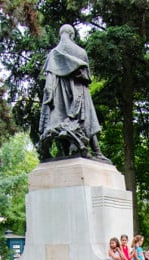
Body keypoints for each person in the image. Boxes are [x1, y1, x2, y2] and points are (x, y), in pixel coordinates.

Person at [38, 24, 103, 160]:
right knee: (88, 118)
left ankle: (65, 152)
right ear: (72, 35)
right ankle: (97, 152)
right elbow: (87, 77)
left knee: (58, 121)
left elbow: (49, 82)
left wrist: (49, 98)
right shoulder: (81, 52)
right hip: (79, 93)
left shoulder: (53, 54)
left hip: (59, 96)